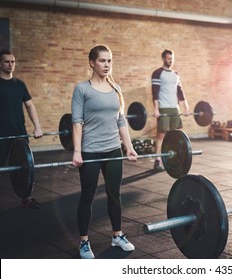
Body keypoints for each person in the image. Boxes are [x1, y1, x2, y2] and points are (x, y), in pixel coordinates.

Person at [71, 45, 138, 259]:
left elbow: (121, 120)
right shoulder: (82, 89)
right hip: (90, 151)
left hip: (112, 150)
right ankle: (83, 242)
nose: (107, 65)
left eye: (109, 61)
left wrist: (128, 147)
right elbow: (77, 122)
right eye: (102, 61)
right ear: (92, 62)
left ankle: (117, 235)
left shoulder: (116, 88)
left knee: (114, 195)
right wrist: (77, 151)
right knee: (88, 197)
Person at [0, 49, 43, 209]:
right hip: (1, 134)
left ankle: (27, 197)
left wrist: (37, 127)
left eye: (12, 61)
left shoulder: (20, 84)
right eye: (6, 61)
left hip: (19, 132)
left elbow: (30, 105)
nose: (10, 64)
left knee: (27, 167)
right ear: (0, 63)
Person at [151, 49, 190, 171]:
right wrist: (156, 109)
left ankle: (174, 157)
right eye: (169, 58)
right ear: (163, 59)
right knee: (161, 134)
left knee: (176, 133)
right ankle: (158, 160)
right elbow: (155, 92)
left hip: (174, 108)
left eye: (172, 58)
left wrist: (186, 107)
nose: (171, 60)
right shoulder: (157, 73)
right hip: (163, 107)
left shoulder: (176, 74)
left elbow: (180, 92)